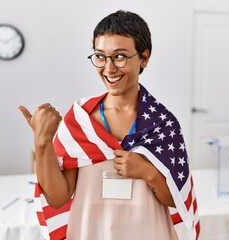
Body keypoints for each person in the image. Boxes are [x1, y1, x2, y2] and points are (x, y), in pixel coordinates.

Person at [19, 10, 200, 240]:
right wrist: (42, 142)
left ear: (144, 57)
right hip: (90, 233)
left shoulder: (163, 124)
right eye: (100, 56)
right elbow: (57, 198)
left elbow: (178, 198)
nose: (109, 68)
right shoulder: (80, 119)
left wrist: (148, 172)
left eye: (120, 56)